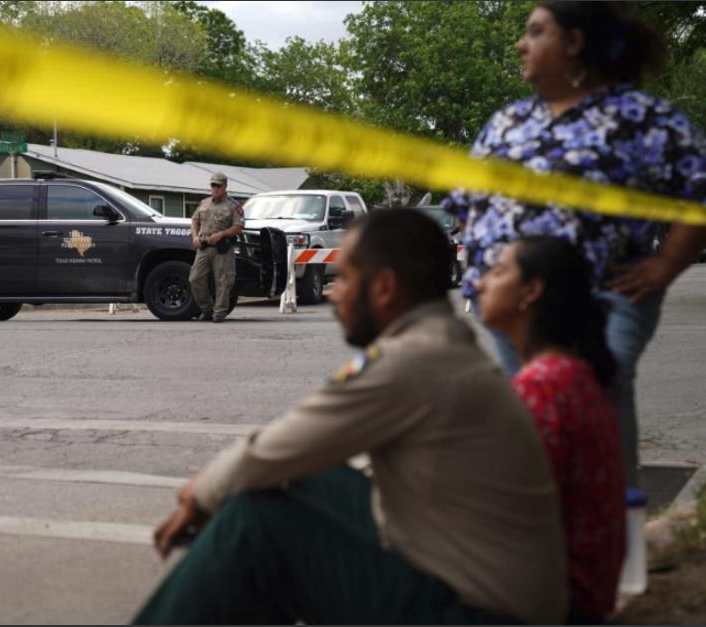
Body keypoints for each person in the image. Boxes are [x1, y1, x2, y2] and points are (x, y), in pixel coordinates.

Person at [133, 210, 568, 625]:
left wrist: (200, 494)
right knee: (304, 476)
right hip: (495, 590)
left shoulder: (413, 360)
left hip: (478, 613)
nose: (332, 294)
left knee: (258, 520)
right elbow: (290, 450)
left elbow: (279, 446)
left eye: (343, 279)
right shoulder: (440, 343)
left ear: (384, 288)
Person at [444, 1, 706, 487]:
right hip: (512, 305)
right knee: (535, 415)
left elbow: (699, 191)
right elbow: (464, 202)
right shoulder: (508, 121)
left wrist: (667, 264)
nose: (521, 44)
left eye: (535, 32)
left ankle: (612, 519)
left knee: (595, 399)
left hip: (602, 298)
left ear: (574, 42)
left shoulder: (641, 119)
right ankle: (551, 520)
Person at [477, 236, 625, 624]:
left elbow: (507, 513)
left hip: (555, 602)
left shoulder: (543, 386)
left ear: (531, 291)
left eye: (498, 272)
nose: (480, 283)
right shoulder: (570, 374)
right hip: (583, 593)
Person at [189, 172, 245, 323]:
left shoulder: (233, 205)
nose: (215, 188)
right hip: (203, 247)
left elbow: (238, 226)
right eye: (213, 185)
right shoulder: (204, 203)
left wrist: (221, 234)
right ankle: (207, 309)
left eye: (218, 186)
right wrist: (195, 237)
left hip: (222, 248)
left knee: (223, 281)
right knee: (195, 278)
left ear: (225, 186)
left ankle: (219, 312)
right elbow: (194, 221)